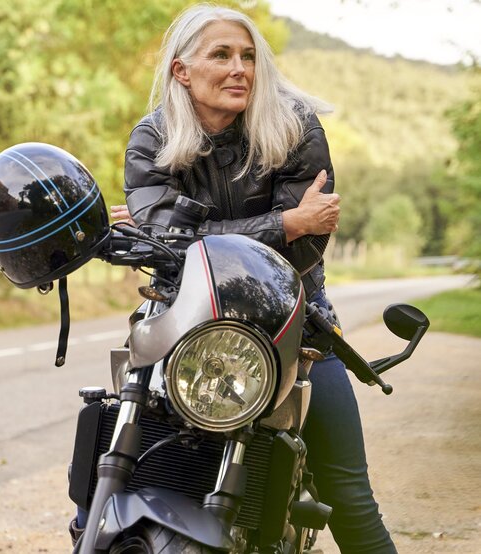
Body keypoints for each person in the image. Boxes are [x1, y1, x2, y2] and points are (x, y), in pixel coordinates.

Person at [110, 4, 397, 553]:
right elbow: (163, 242)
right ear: (182, 71)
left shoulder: (293, 126)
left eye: (248, 56)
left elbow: (308, 246)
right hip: (186, 322)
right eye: (221, 55)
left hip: (297, 320)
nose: (240, 68)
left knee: (348, 492)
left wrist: (196, 231)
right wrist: (285, 222)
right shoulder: (151, 139)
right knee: (126, 460)